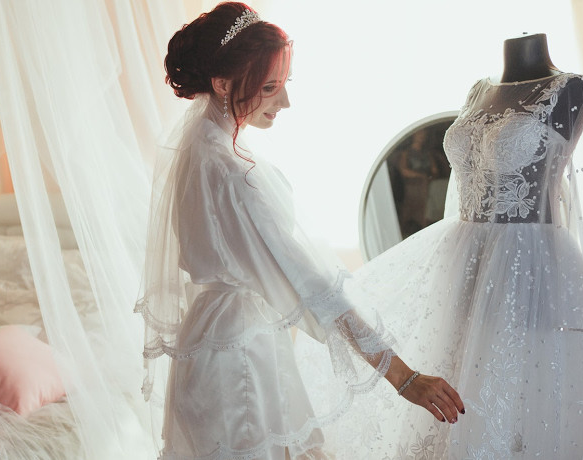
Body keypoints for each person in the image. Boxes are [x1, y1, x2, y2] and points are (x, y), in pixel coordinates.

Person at [134, 3, 464, 459]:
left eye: (285, 83)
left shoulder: (199, 148)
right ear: (222, 83)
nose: (284, 101)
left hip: (209, 341)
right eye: (270, 87)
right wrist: (402, 376)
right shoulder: (233, 172)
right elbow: (313, 283)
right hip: (238, 358)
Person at [323, 33, 583, 458]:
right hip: (462, 266)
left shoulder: (570, 88)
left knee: (520, 406)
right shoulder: (478, 91)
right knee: (457, 397)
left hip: (527, 273)